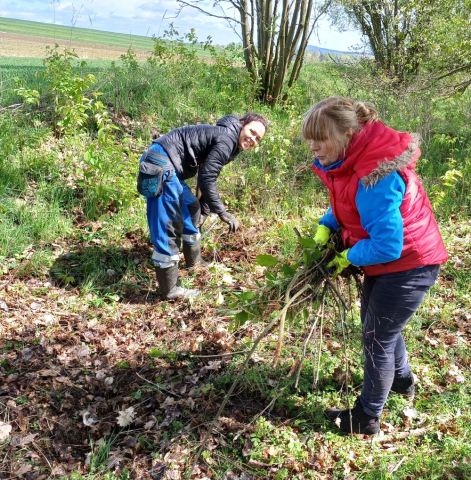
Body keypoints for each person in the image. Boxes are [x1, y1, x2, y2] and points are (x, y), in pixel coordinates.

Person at [302, 96, 448, 435]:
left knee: (376, 338)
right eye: (310, 138)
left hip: (410, 265)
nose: (313, 146)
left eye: (320, 138)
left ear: (347, 136)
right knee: (378, 324)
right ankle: (401, 380)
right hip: (392, 263)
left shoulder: (375, 176)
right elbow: (347, 206)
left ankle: (366, 418)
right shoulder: (352, 163)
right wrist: (327, 224)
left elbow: (387, 245)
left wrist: (346, 257)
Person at [141, 113, 268, 300]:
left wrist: (205, 210)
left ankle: (194, 262)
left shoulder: (230, 140)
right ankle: (170, 290)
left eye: (258, 138)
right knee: (168, 225)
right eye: (252, 131)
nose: (253, 139)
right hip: (160, 164)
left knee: (192, 207)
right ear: (242, 125)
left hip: (168, 165)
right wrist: (223, 212)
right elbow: (207, 177)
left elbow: (207, 174)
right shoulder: (227, 138)